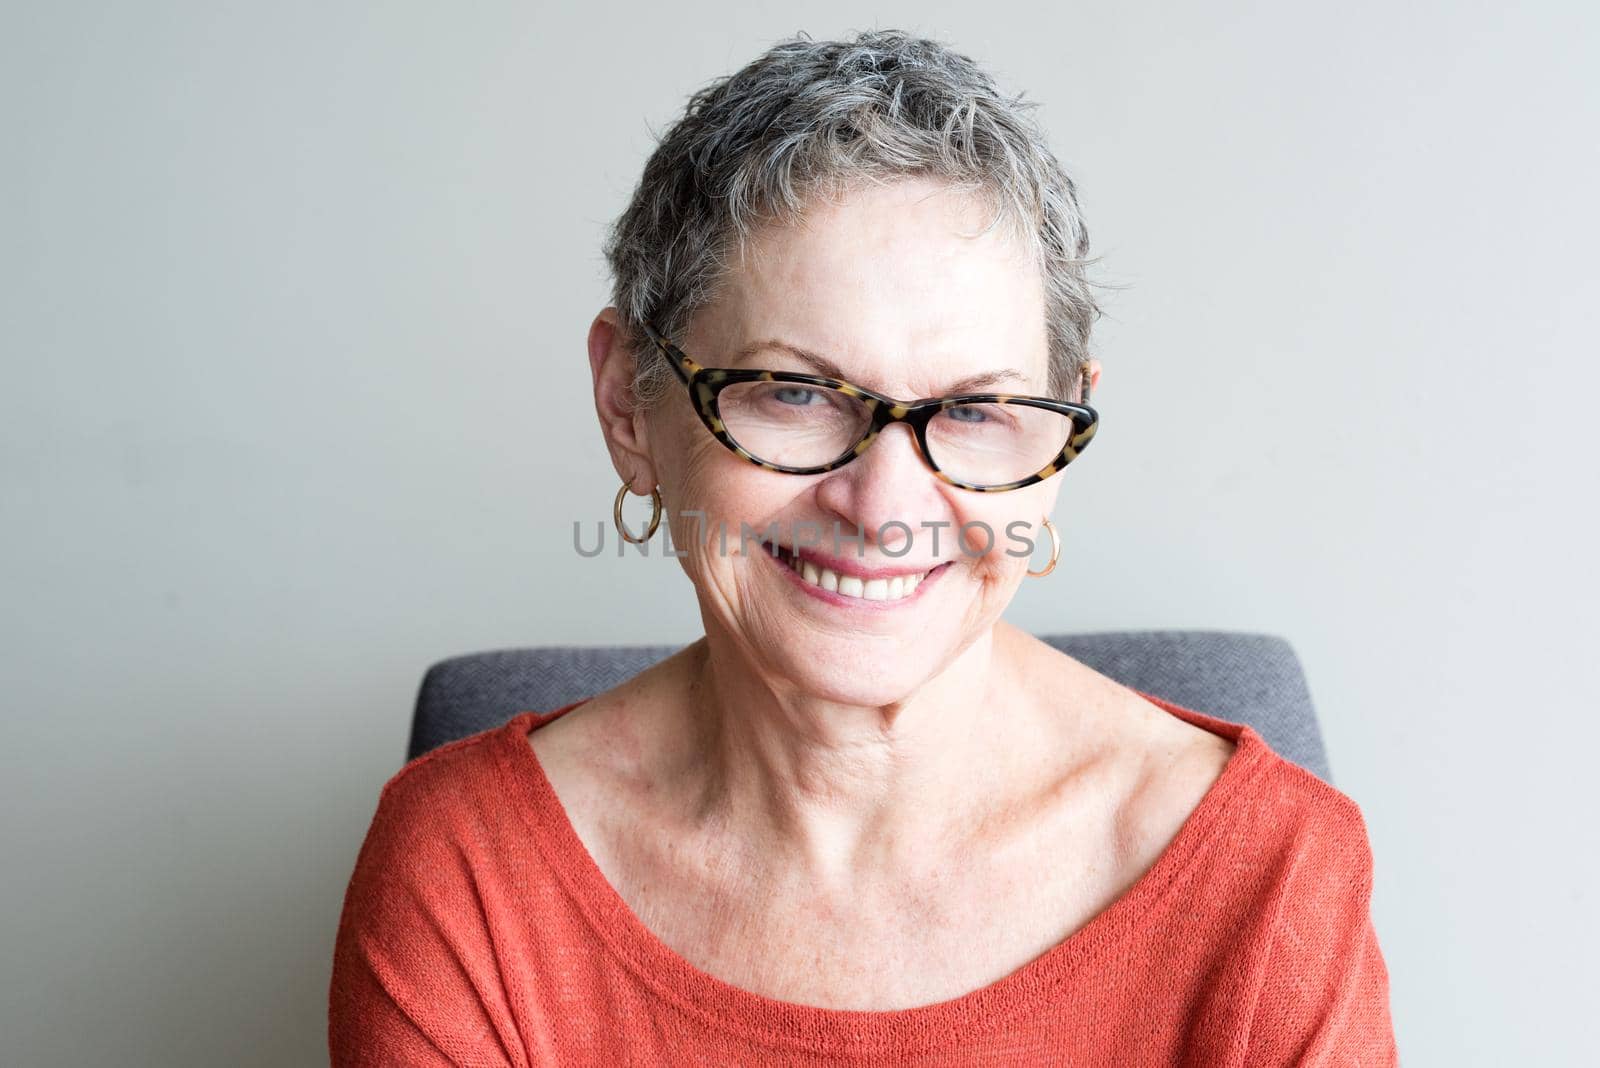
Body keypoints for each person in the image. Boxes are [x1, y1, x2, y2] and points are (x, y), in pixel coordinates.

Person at [330, 29, 1396, 1065]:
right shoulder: (466, 869)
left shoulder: (1270, 872)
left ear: (1060, 442)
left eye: (976, 411)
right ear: (627, 405)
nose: (883, 499)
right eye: (793, 391)